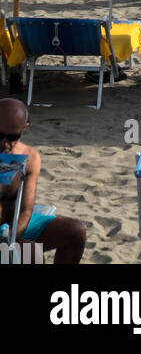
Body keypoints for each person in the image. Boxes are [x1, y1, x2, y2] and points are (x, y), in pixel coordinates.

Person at [0, 99, 86, 263]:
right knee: (32, 255)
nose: (5, 143)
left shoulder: (30, 157)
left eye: (12, 137)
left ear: (24, 129)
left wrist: (11, 237)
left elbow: (26, 209)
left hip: (13, 224)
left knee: (75, 231)